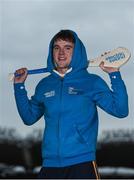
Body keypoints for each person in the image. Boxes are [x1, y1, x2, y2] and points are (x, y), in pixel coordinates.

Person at [13, 30, 129, 179]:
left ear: (77, 52)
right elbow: (28, 118)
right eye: (57, 48)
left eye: (68, 48)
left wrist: (114, 74)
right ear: (52, 51)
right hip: (50, 165)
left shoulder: (91, 82)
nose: (61, 53)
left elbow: (121, 110)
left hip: (81, 164)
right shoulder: (44, 85)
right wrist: (19, 87)